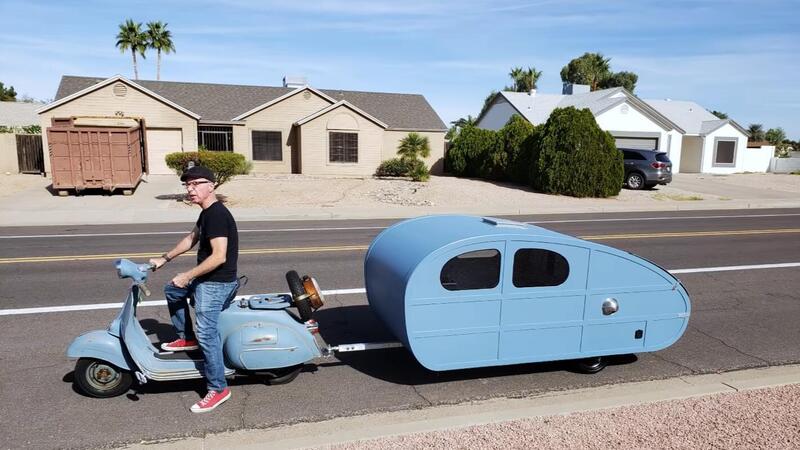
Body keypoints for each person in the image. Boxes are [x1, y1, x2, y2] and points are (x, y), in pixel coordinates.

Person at [149, 165, 239, 413]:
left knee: (207, 334)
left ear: (211, 186)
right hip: (206, 280)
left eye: (196, 184)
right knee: (172, 290)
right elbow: (191, 239)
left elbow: (219, 256)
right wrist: (164, 259)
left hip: (217, 284)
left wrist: (187, 275)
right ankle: (187, 338)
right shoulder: (206, 213)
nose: (190, 189)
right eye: (187, 185)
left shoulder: (217, 215)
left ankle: (218, 388)